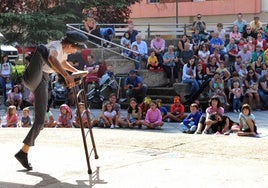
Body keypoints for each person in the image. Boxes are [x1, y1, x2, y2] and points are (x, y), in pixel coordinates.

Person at [14, 30, 88, 170]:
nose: (73, 52)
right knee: (43, 50)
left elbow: (63, 62)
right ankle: (59, 73)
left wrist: (75, 72)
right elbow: (54, 59)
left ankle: (23, 152)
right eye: (75, 49)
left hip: (42, 79)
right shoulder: (55, 47)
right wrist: (66, 76)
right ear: (70, 45)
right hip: (32, 76)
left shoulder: (63, 52)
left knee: (41, 121)